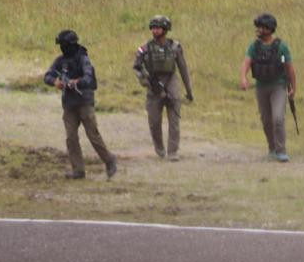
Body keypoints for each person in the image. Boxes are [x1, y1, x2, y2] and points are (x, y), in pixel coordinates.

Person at [44, 29, 117, 180]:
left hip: (84, 103)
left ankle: (109, 160)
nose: (62, 48)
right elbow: (47, 76)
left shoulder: (83, 59)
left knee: (93, 135)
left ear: (70, 44)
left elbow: (89, 79)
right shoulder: (60, 61)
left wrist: (77, 82)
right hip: (69, 104)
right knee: (71, 138)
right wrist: (55, 82)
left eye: (63, 45)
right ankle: (78, 170)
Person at [133, 15, 193, 160]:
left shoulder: (175, 47)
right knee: (154, 121)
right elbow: (137, 67)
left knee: (174, 120)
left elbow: (183, 68)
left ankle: (173, 152)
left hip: (171, 81)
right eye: (153, 28)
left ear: (165, 29)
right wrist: (145, 81)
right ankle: (159, 149)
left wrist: (189, 90)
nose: (155, 31)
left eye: (158, 28)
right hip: (153, 85)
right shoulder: (145, 49)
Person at [238, 12, 296, 162]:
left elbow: (288, 67)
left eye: (261, 27)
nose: (258, 30)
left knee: (278, 118)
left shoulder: (281, 48)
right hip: (261, 87)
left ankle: (281, 150)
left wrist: (293, 87)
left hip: (278, 86)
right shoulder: (254, 47)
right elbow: (246, 63)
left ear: (269, 29)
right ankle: (272, 148)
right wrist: (243, 78)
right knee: (266, 120)